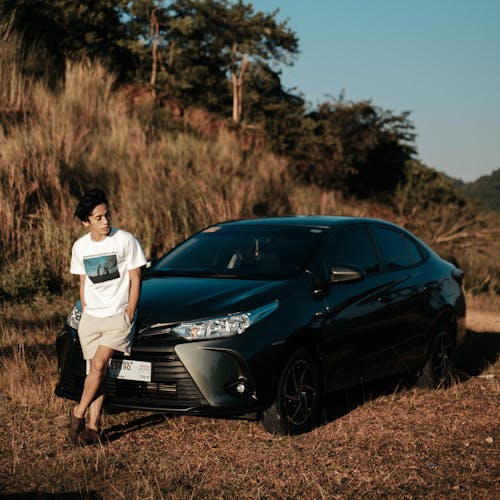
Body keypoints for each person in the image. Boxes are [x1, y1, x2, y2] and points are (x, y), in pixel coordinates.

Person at [69, 188, 147, 445]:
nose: (106, 221)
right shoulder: (80, 247)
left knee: (100, 365)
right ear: (86, 221)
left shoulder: (125, 240)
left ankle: (78, 412)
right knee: (96, 372)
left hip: (117, 316)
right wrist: (84, 308)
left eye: (107, 215)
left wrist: (129, 313)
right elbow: (83, 281)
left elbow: (136, 279)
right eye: (99, 218)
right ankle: (94, 428)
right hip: (91, 316)